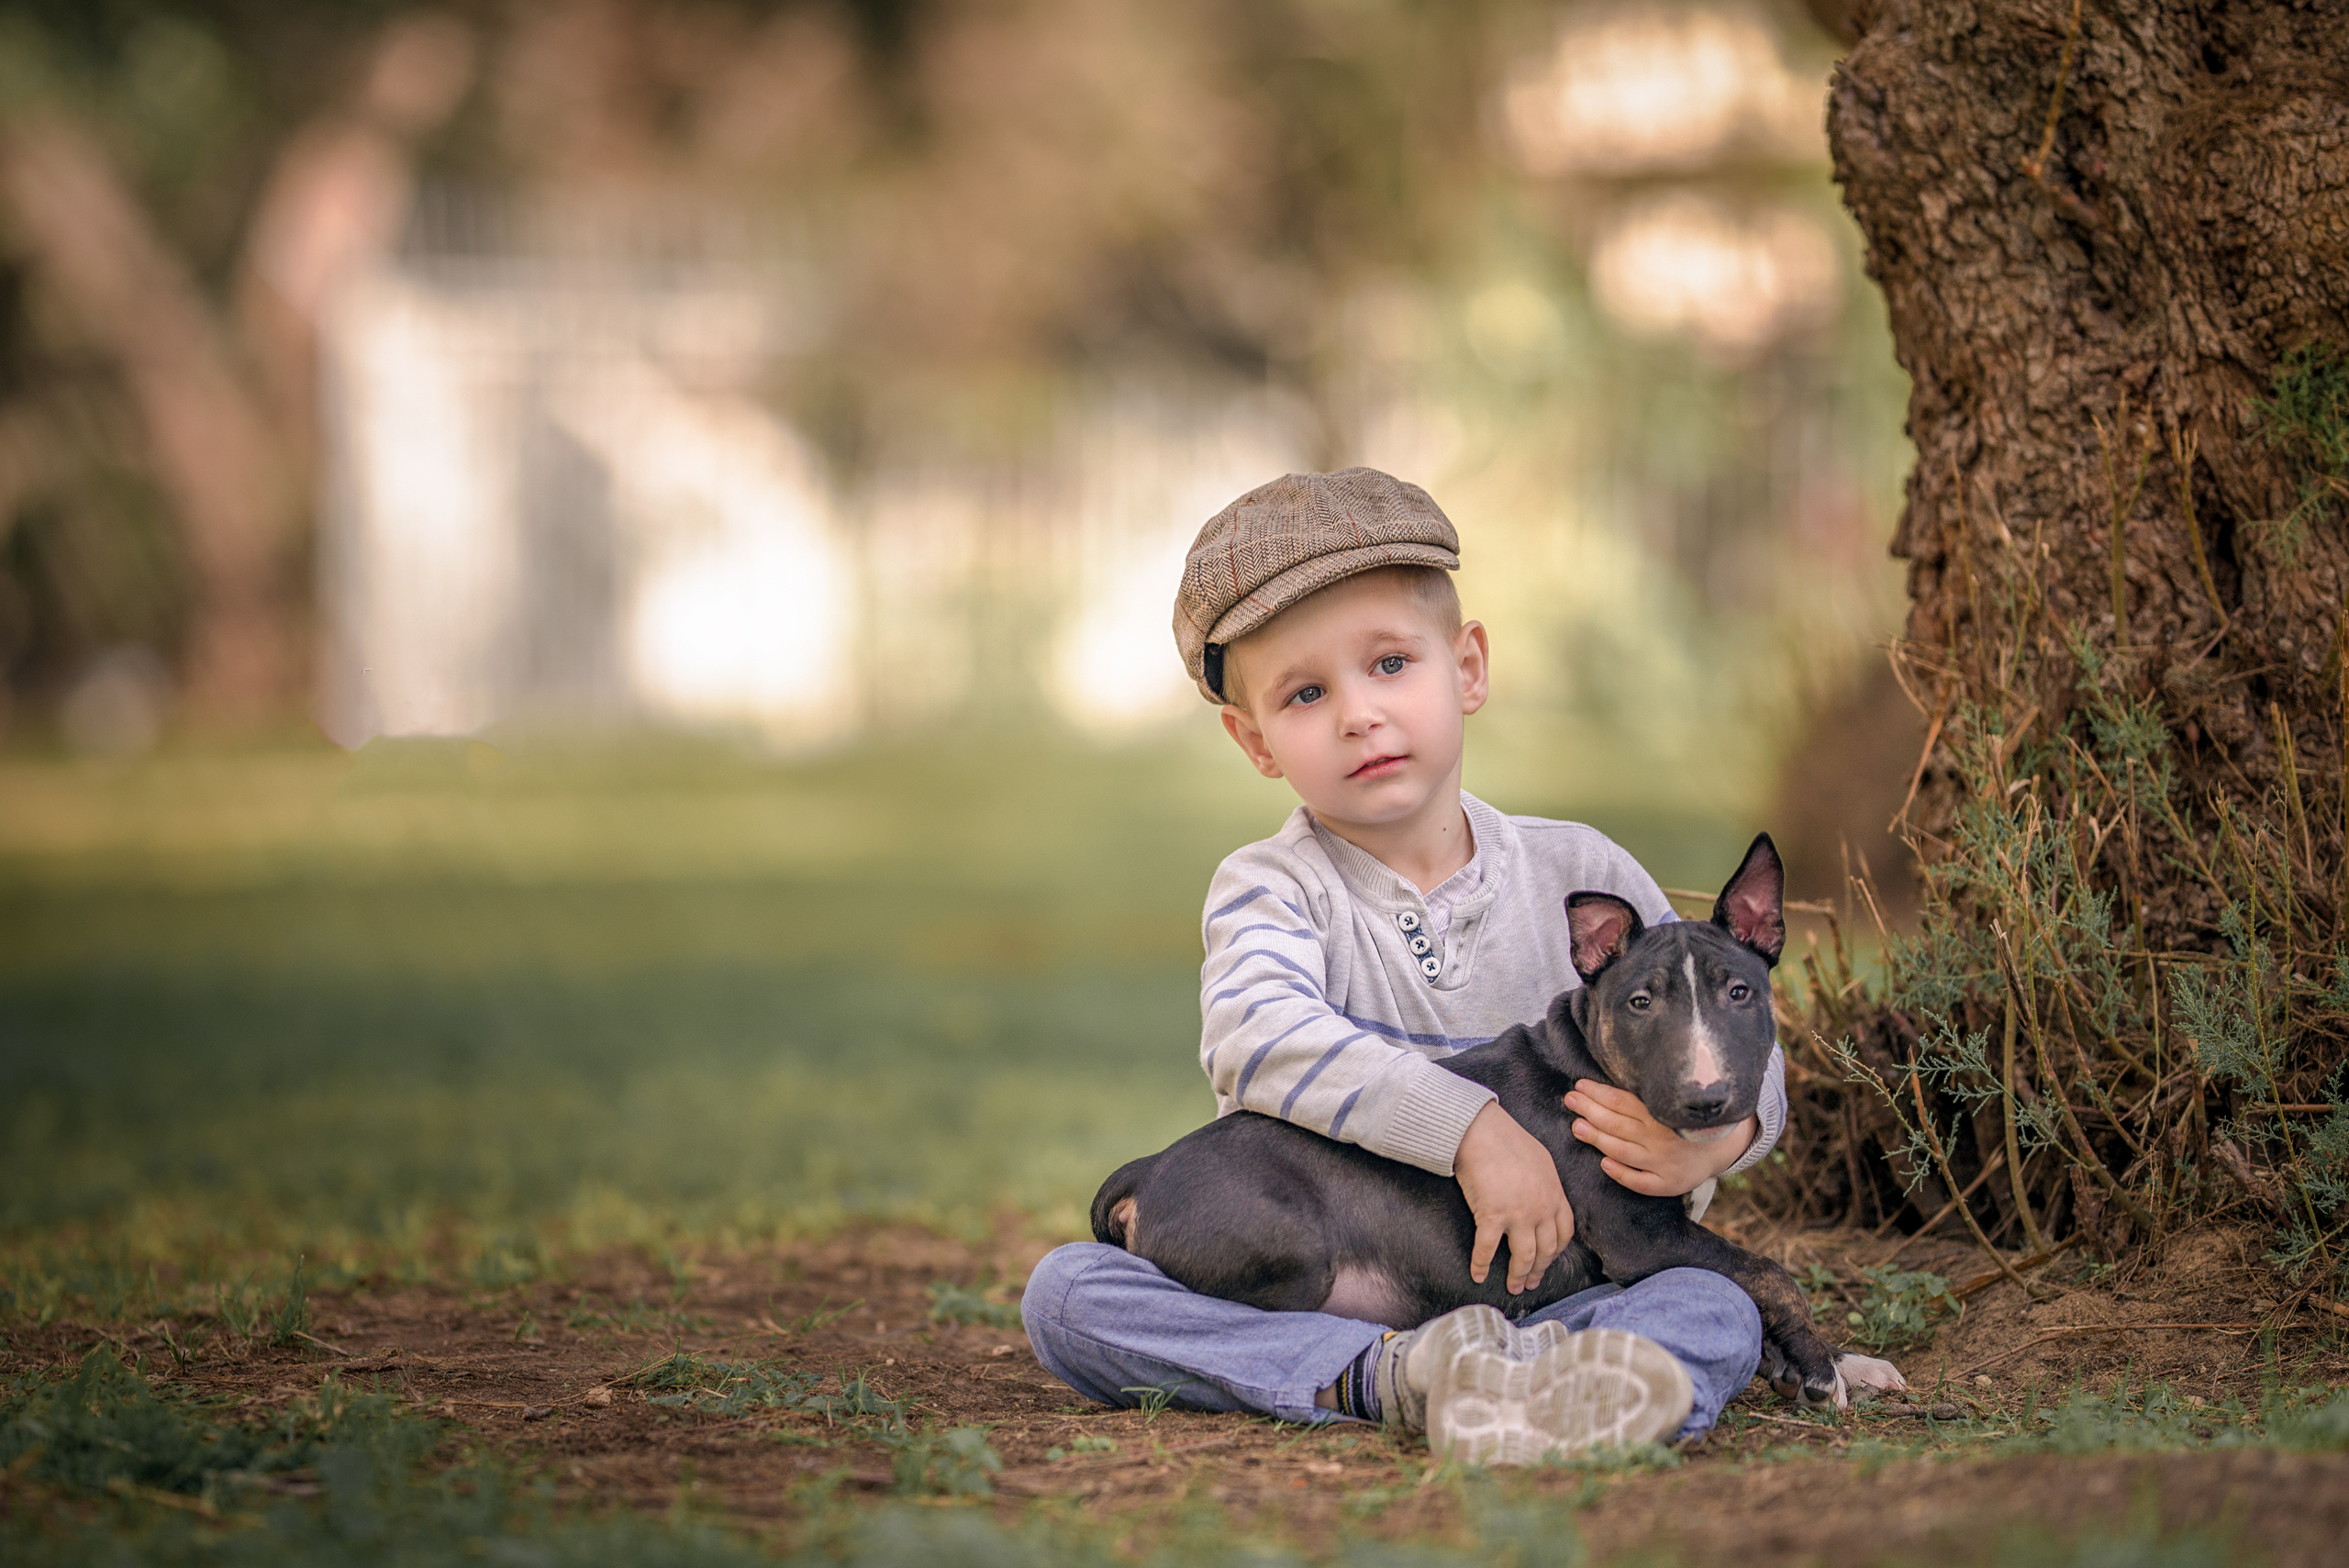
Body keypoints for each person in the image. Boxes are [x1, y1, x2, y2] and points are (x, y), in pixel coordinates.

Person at [1020, 468, 1787, 1462]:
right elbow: (1260, 1037)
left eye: (1389, 663)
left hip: (1590, 1275)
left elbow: (1734, 1017)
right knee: (1071, 1295)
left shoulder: (1582, 871)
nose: (1357, 713)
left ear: (1466, 666)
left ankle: (1566, 1388)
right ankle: (1396, 1374)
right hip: (1341, 1273)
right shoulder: (1271, 888)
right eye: (1305, 692)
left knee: (1712, 1305)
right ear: (1253, 739)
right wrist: (1471, 1125)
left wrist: (1716, 1143)